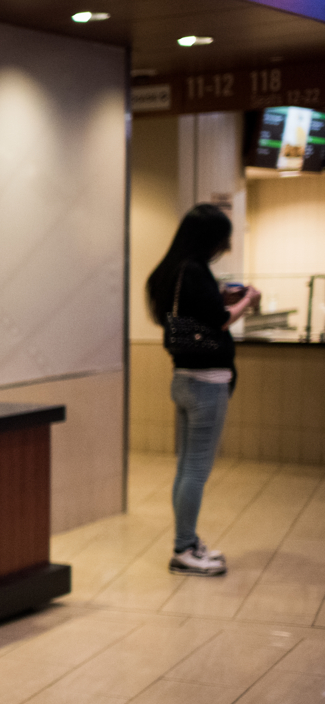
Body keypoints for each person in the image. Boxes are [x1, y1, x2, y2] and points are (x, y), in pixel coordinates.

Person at [147, 203, 257, 575]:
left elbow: (197, 315)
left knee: (185, 468)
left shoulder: (169, 272)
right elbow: (221, 322)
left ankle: (188, 541)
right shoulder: (195, 271)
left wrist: (220, 300)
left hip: (182, 378)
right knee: (196, 471)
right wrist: (247, 301)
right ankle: (183, 550)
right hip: (208, 383)